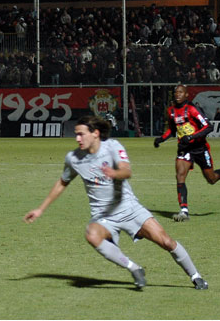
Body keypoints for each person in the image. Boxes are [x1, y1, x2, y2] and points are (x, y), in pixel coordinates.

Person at [24, 115, 208, 290]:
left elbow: (126, 171)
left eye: (81, 134)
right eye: (76, 134)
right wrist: (40, 209)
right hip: (103, 215)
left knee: (166, 242)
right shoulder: (73, 159)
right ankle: (134, 268)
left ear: (95, 133)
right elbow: (62, 182)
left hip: (129, 208)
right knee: (92, 235)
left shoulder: (112, 146)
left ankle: (195, 276)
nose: (77, 138)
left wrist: (114, 174)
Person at [153, 84, 220, 222]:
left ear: (186, 95)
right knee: (180, 176)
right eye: (175, 92)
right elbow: (173, 130)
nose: (177, 94)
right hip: (184, 149)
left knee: (211, 179)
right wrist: (161, 139)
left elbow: (209, 127)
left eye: (180, 92)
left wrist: (191, 137)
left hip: (200, 148)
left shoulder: (192, 109)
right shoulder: (171, 111)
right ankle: (184, 210)